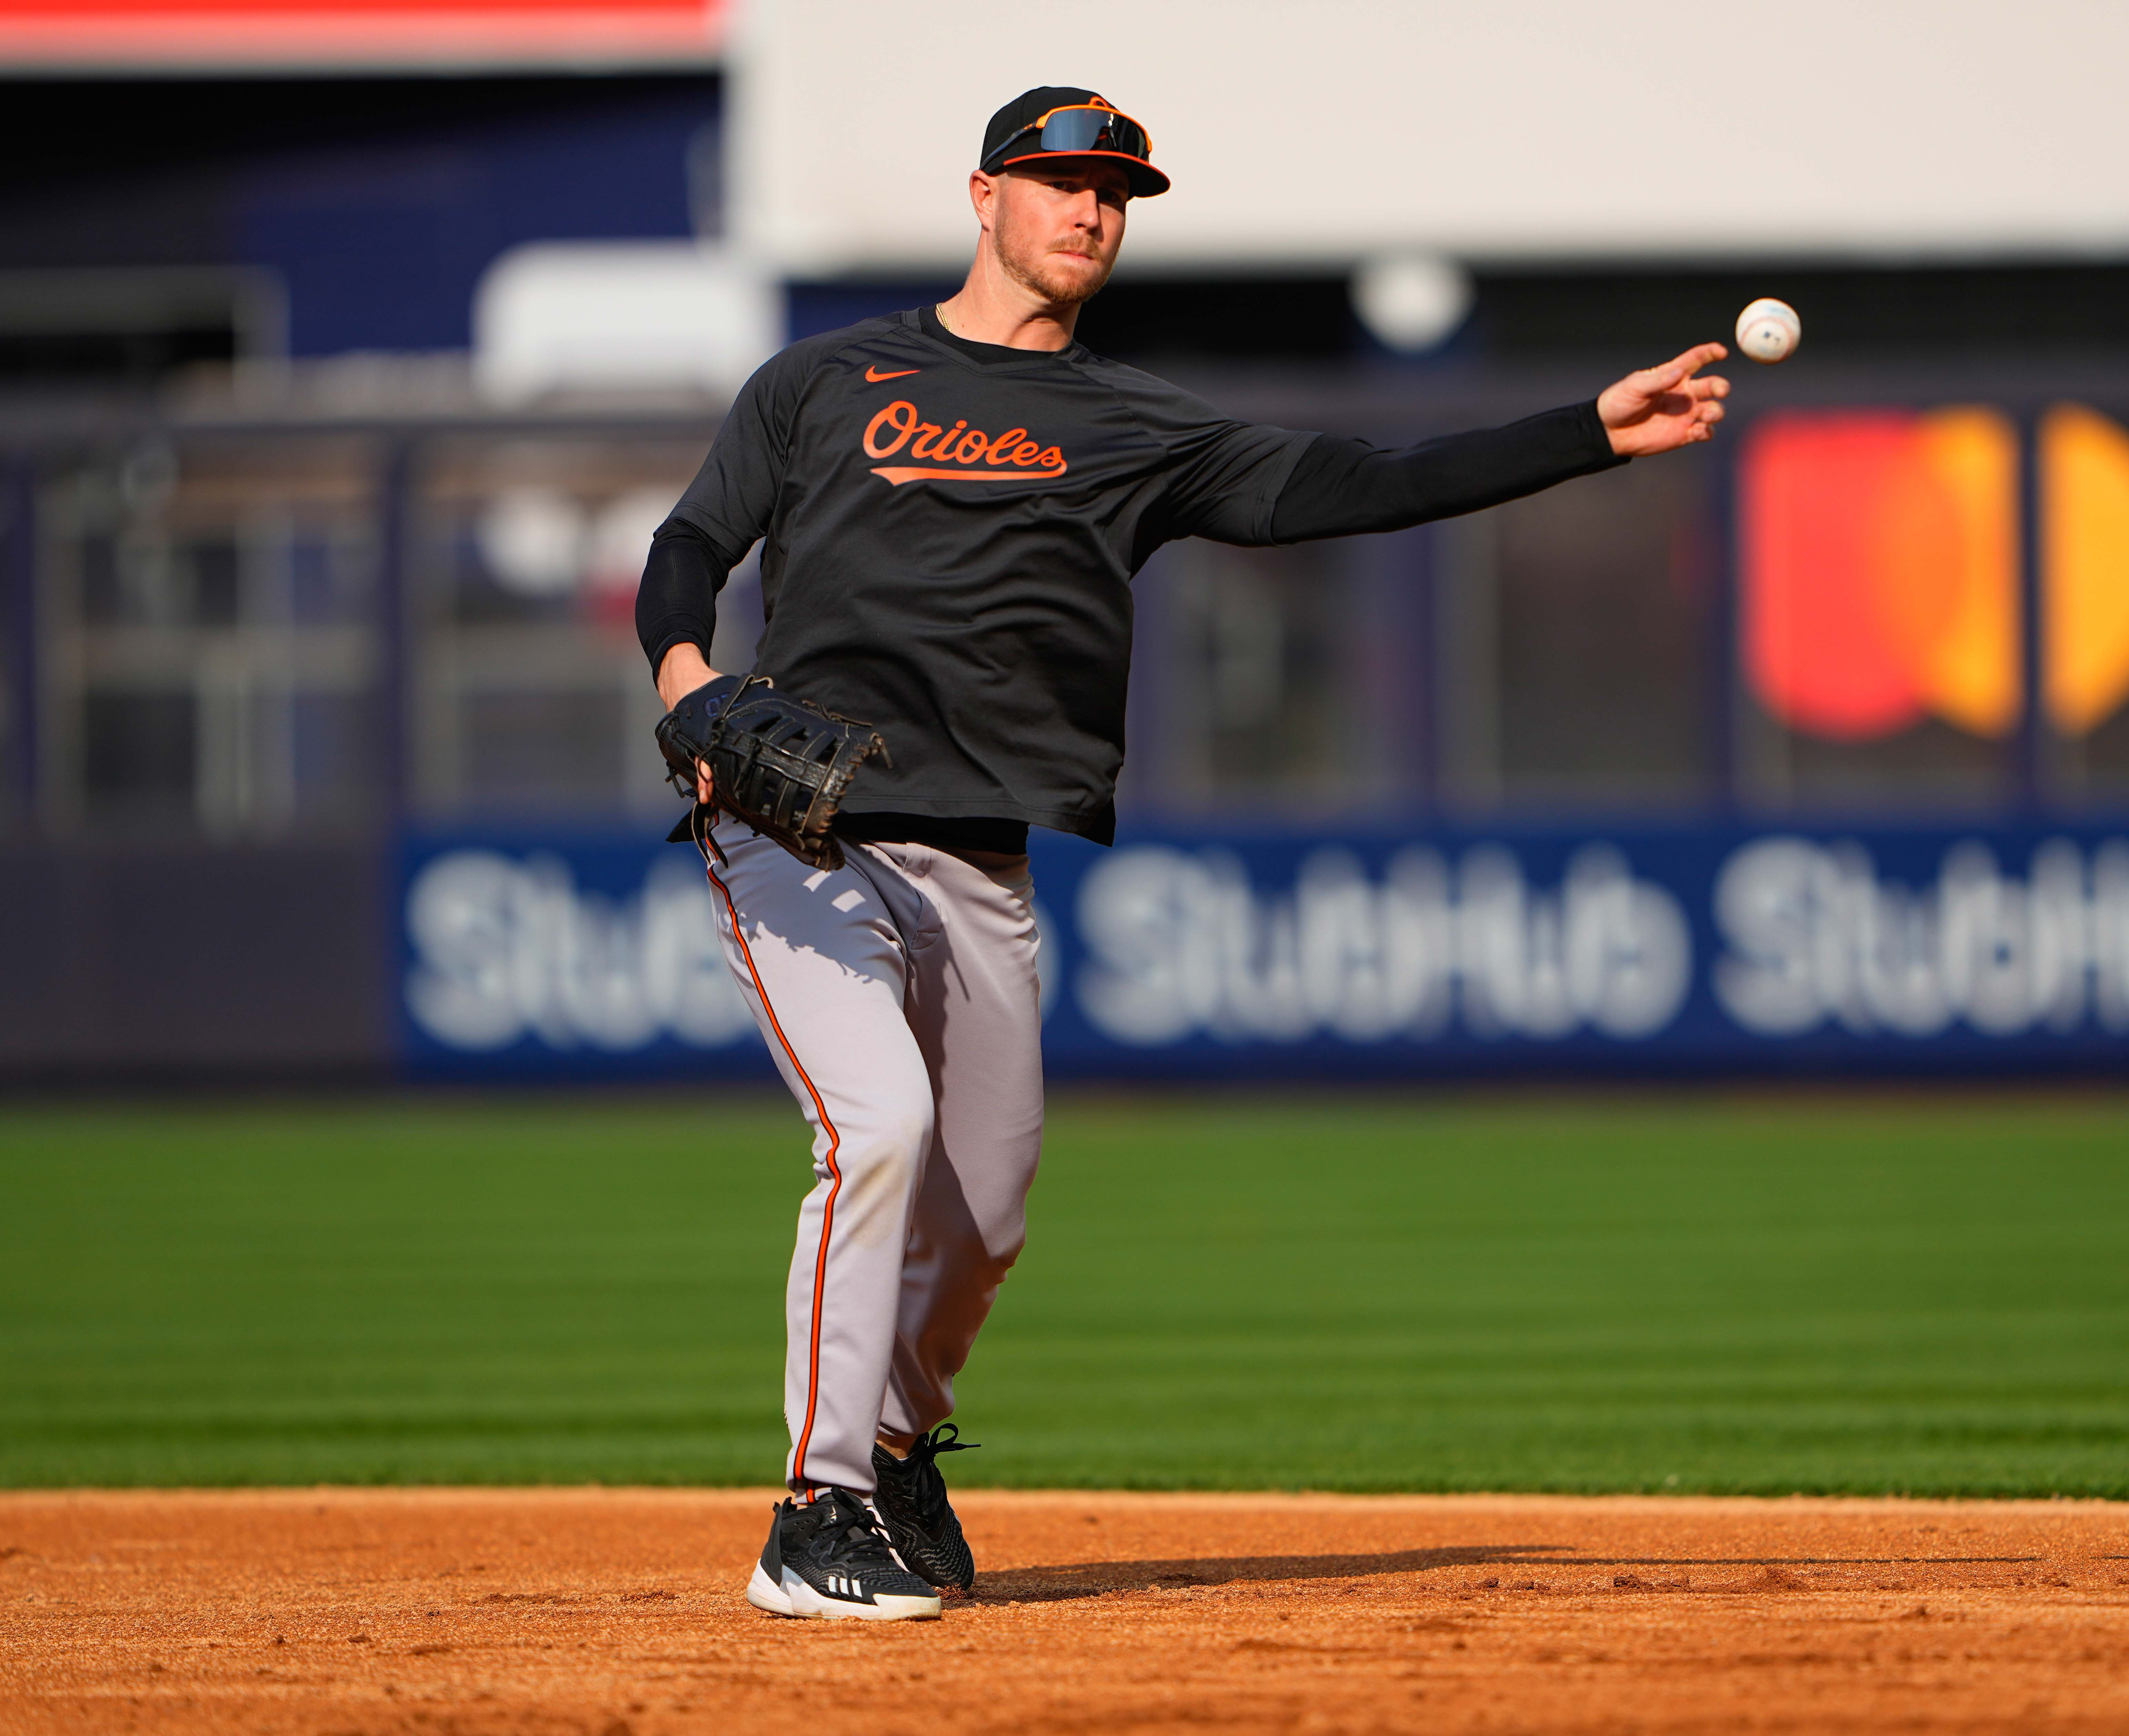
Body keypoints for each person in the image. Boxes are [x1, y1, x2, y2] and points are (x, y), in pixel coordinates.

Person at [636, 85, 1730, 1622]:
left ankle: (891, 1445)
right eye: (1061, 181)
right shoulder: (825, 380)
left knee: (988, 1218)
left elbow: (1358, 483)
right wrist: (686, 677)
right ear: (984, 194)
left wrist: (1584, 436)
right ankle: (812, 1510)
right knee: (874, 1124)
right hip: (791, 833)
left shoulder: (1135, 426)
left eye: (1116, 193)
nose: (1090, 211)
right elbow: (691, 543)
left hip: (981, 864)